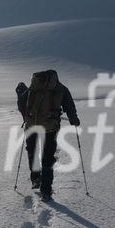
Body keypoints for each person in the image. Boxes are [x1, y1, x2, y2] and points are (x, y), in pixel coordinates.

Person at [16, 70, 80, 201]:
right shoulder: (60, 88)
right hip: (50, 127)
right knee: (47, 156)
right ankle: (46, 190)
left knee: (32, 152)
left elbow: (21, 102)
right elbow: (69, 105)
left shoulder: (33, 87)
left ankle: (35, 179)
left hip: (31, 125)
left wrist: (25, 117)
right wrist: (74, 119)